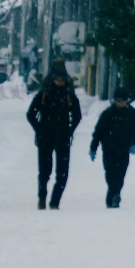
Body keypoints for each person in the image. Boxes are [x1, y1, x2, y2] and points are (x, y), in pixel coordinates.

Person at [25, 64, 81, 209]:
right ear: (52, 79)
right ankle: (42, 197)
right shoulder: (44, 94)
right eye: (57, 79)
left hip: (63, 138)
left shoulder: (69, 96)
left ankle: (55, 201)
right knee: (44, 171)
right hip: (45, 138)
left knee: (63, 173)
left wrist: (69, 130)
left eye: (62, 80)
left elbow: (77, 116)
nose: (60, 82)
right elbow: (30, 114)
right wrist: (39, 129)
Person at [89, 88, 135, 209]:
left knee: (120, 174)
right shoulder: (107, 114)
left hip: (124, 149)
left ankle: (114, 195)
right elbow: (98, 132)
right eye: (118, 101)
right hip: (109, 149)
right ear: (114, 101)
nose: (120, 104)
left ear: (127, 101)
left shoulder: (133, 114)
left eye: (123, 101)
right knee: (110, 173)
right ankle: (114, 195)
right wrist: (93, 147)